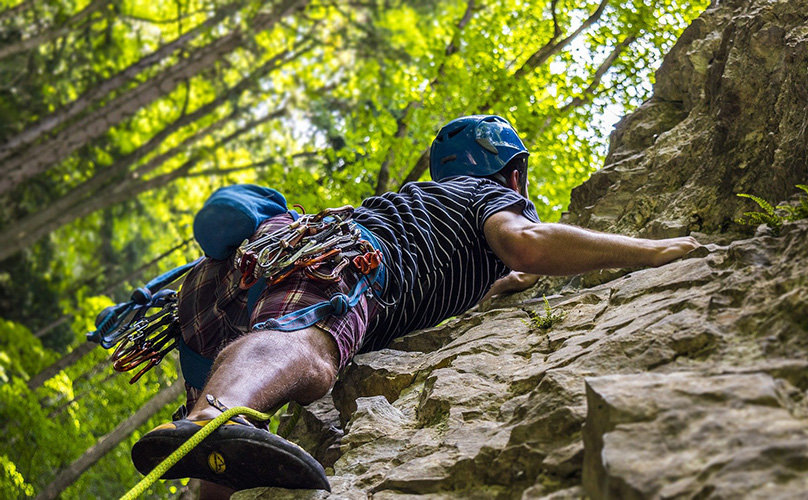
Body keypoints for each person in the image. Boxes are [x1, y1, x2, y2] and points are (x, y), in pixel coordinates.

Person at [132, 115, 699, 499]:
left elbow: (501, 275)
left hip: (218, 289)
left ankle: (209, 445)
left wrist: (509, 283)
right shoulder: (490, 197)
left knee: (232, 434)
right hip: (343, 258)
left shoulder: (429, 208)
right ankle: (211, 418)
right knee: (311, 347)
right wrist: (653, 251)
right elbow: (526, 243)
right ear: (514, 175)